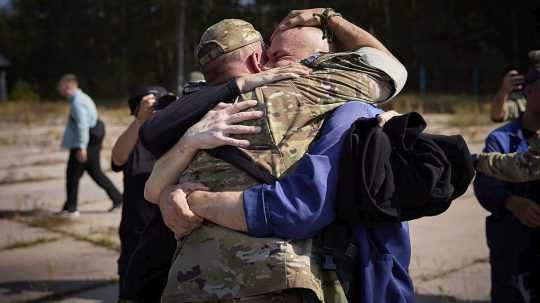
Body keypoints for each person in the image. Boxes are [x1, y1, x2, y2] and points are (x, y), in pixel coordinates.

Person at [145, 8, 408, 303]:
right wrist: (329, 16)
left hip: (187, 283)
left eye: (278, 56)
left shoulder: (195, 114)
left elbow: (152, 188)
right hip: (271, 280)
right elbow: (390, 68)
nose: (271, 63)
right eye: (269, 56)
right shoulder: (300, 92)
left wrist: (178, 194)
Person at [474, 53, 540, 302]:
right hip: (513, 248)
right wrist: (513, 203)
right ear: (528, 92)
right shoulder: (502, 138)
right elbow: (485, 184)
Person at [110, 86, 173, 300]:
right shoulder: (135, 140)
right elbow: (117, 159)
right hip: (135, 231)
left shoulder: (174, 136)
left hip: (167, 233)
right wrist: (139, 121)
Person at [57, 74, 122, 217]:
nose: (58, 88)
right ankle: (118, 199)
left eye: (60, 86)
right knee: (93, 172)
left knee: (73, 175)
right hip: (90, 139)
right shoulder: (80, 98)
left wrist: (81, 147)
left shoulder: (77, 103)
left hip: (86, 142)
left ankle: (71, 209)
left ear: (67, 86)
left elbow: (82, 126)